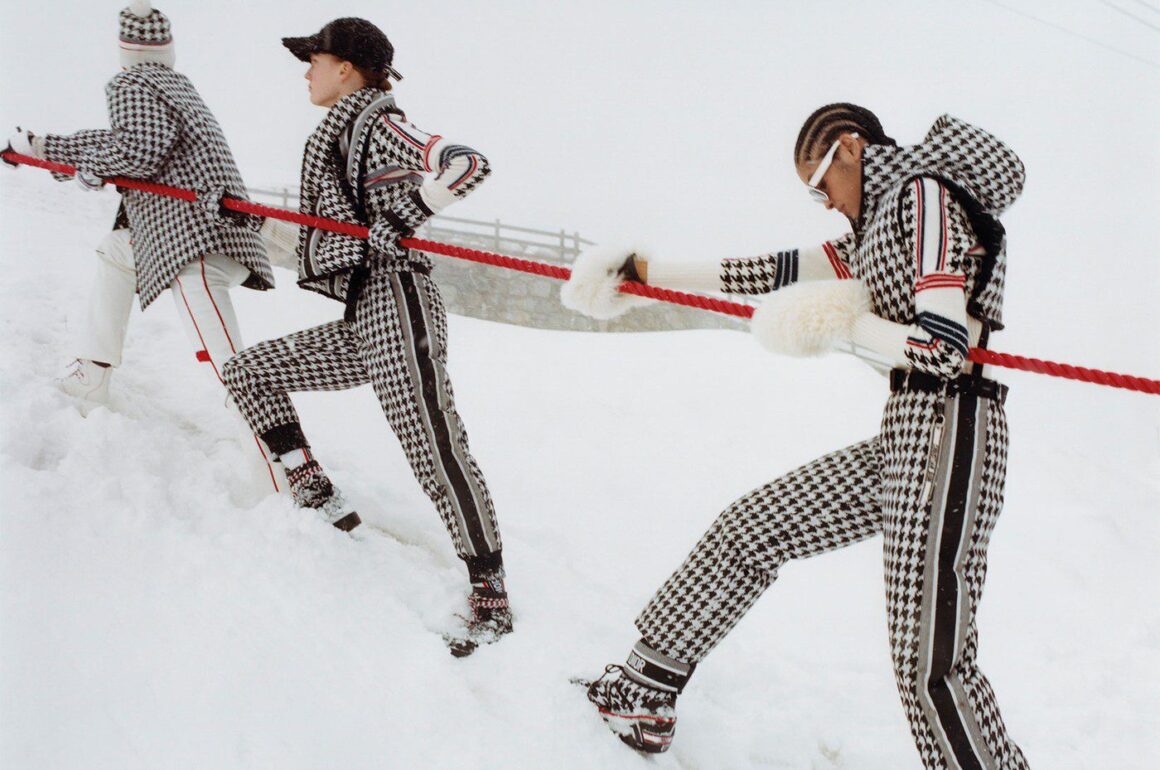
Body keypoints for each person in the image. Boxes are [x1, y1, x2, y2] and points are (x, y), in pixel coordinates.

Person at [563, 104, 1030, 768]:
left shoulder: (924, 197)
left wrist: (839, 321)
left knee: (928, 663)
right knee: (749, 529)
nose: (825, 203)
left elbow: (943, 346)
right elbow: (780, 271)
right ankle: (643, 692)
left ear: (848, 147)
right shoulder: (878, 226)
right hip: (907, 434)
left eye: (819, 185)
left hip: (950, 431)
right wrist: (651, 277)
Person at [222, 18, 510, 656]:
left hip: (400, 303)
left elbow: (467, 164)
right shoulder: (340, 132)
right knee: (248, 372)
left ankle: (490, 592)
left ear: (347, 67)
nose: (306, 71)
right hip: (365, 312)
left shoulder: (377, 124)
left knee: (433, 445)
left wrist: (407, 214)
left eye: (314, 59)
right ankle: (316, 491)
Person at [2, 0, 281, 490]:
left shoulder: (130, 82)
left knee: (229, 365)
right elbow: (128, 139)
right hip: (196, 229)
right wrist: (46, 148)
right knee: (117, 251)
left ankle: (280, 470)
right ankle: (93, 371)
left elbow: (140, 149)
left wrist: (91, 167)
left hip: (192, 241)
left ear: (124, 51)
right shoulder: (174, 85)